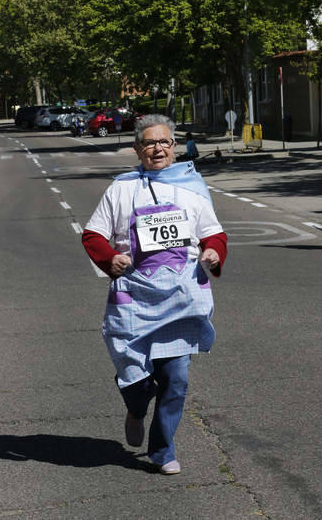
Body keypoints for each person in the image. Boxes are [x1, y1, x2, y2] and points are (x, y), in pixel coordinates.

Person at [82, 114, 228, 476]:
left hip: (181, 296)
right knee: (136, 378)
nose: (157, 149)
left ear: (174, 147)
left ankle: (162, 450)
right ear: (137, 149)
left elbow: (214, 234)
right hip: (135, 296)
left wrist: (213, 253)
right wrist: (110, 258)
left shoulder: (192, 187)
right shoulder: (121, 188)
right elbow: (92, 235)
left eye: (164, 142)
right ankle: (135, 407)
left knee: (176, 378)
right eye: (149, 143)